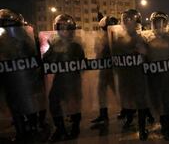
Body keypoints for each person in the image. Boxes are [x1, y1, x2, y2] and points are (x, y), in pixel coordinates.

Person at [0, 9, 46, 142]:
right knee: (16, 107)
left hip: (25, 79)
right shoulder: (4, 40)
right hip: (11, 79)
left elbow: (37, 59)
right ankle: (25, 131)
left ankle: (30, 130)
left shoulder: (27, 40)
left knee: (25, 105)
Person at [109, 9, 150, 140]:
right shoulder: (118, 39)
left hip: (138, 75)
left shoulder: (140, 37)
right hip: (125, 75)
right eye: (124, 19)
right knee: (127, 99)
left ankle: (142, 128)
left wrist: (143, 51)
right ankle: (129, 119)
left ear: (136, 22)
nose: (126, 22)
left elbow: (147, 54)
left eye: (129, 19)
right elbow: (114, 55)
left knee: (140, 102)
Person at [43, 14, 85, 142]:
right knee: (54, 101)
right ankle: (60, 128)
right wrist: (51, 49)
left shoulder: (76, 46)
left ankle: (75, 127)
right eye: (60, 27)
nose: (63, 31)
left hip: (73, 79)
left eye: (66, 28)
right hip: (59, 79)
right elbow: (46, 61)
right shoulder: (55, 44)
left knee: (74, 103)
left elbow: (81, 63)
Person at [144, 11, 169, 140]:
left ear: (166, 23)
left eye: (161, 22)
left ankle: (167, 127)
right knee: (158, 102)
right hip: (155, 76)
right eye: (156, 22)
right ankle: (163, 123)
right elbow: (144, 56)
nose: (159, 25)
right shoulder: (147, 37)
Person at [91, 16, 118, 126]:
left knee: (115, 91)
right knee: (103, 92)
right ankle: (103, 114)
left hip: (110, 69)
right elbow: (97, 52)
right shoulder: (106, 37)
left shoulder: (112, 38)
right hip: (106, 69)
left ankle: (128, 110)